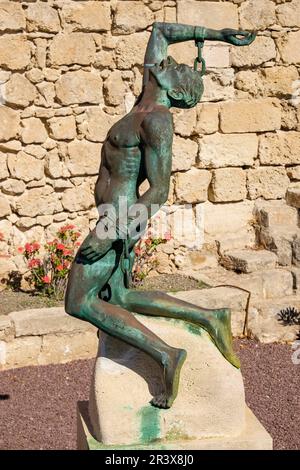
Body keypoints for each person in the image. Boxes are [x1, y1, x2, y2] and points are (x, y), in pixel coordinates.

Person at [65, 22, 255, 409]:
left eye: (181, 69)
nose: (172, 62)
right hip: (113, 214)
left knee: (78, 301)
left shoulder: (157, 121)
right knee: (120, 295)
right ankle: (211, 316)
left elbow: (161, 190)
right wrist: (216, 35)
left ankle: (167, 355)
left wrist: (110, 230)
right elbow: (161, 32)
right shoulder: (144, 100)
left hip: (118, 218)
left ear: (179, 90)